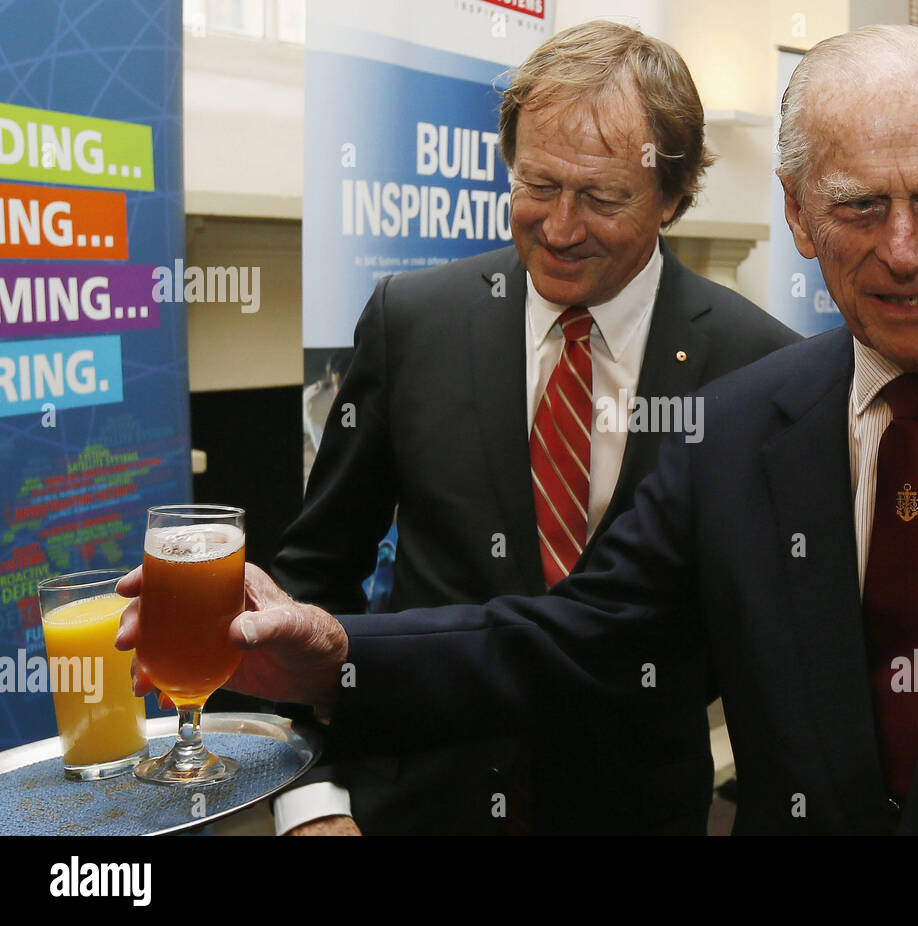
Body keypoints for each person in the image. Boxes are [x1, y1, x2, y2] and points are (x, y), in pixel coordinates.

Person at [119, 24, 918, 834]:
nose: (899, 247)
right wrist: (336, 655)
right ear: (792, 212)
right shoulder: (743, 428)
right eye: (854, 205)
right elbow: (570, 638)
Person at [268, 21, 799, 835]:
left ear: (674, 193)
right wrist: (313, 799)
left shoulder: (757, 367)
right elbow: (315, 572)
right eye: (538, 185)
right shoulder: (413, 323)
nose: (558, 226)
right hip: (413, 809)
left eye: (601, 197)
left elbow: (768, 647)